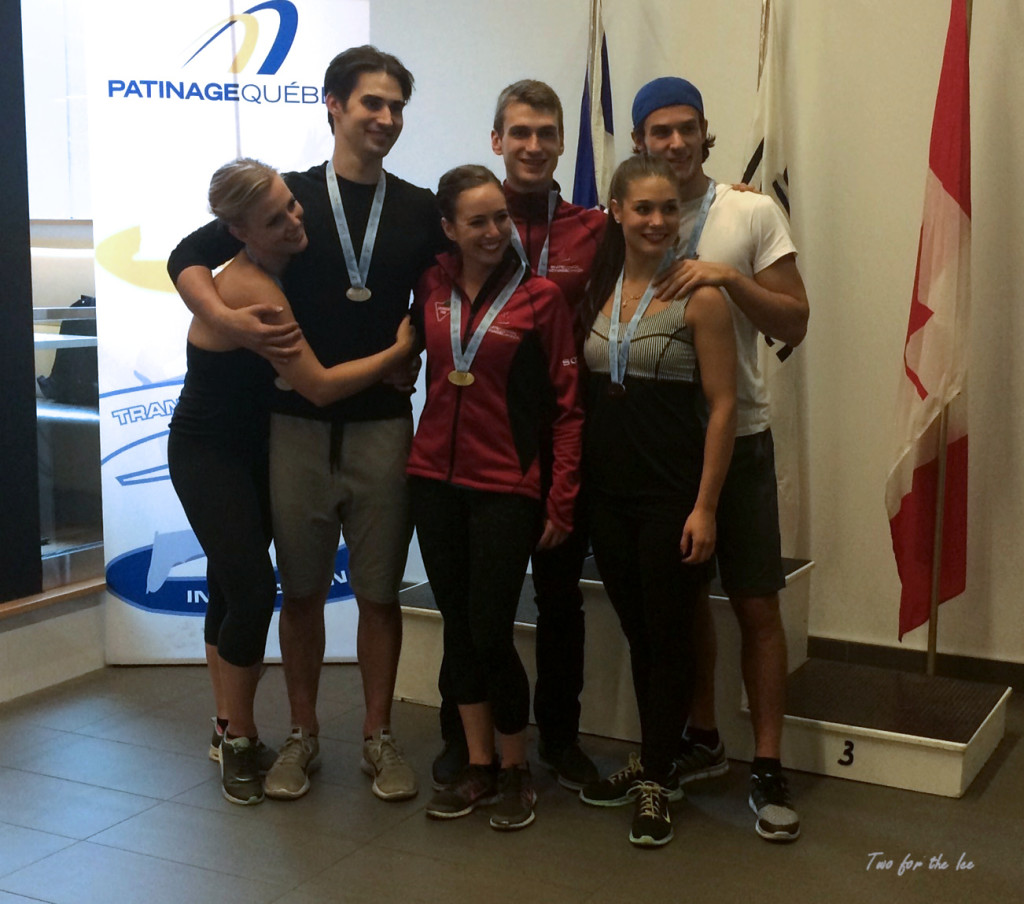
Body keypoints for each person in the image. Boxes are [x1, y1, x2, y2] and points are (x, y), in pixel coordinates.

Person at [167, 46, 445, 803]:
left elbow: (460, 276)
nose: (385, 119)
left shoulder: (419, 207)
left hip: (384, 426)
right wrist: (224, 314)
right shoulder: (287, 199)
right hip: (290, 427)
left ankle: (379, 739)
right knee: (299, 595)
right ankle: (299, 736)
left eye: (396, 107)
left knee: (381, 594)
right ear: (332, 104)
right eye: (370, 104)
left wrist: (418, 342)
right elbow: (189, 251)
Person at [632, 76, 810, 842]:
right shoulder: (627, 215)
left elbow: (796, 319)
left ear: (707, 132)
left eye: (686, 129)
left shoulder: (750, 210)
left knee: (756, 604)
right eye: (658, 132)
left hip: (739, 443)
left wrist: (729, 276)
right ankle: (701, 739)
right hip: (664, 451)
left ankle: (766, 765)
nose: (673, 143)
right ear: (639, 141)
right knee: (682, 606)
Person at [432, 80, 606, 792]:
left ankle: (559, 739)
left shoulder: (598, 227)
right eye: (520, 132)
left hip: (561, 439)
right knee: (469, 604)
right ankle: (461, 738)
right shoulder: (467, 220)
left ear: (562, 141)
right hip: (478, 449)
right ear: (497, 140)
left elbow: (672, 223)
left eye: (547, 132)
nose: (534, 145)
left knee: (560, 601)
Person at [409, 165, 582, 831]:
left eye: (499, 219)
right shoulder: (429, 285)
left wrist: (560, 499)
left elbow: (569, 412)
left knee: (490, 629)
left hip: (507, 490)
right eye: (475, 221)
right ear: (449, 228)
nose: (491, 232)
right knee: (458, 628)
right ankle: (478, 764)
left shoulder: (541, 300)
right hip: (433, 484)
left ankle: (516, 769)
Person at [576, 154, 736, 847]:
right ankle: (655, 753)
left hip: (670, 495)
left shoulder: (699, 296)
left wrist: (704, 507)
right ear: (614, 210)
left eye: (668, 209)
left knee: (668, 637)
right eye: (642, 208)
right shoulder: (597, 288)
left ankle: (658, 779)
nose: (657, 221)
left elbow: (725, 406)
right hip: (606, 496)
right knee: (640, 632)